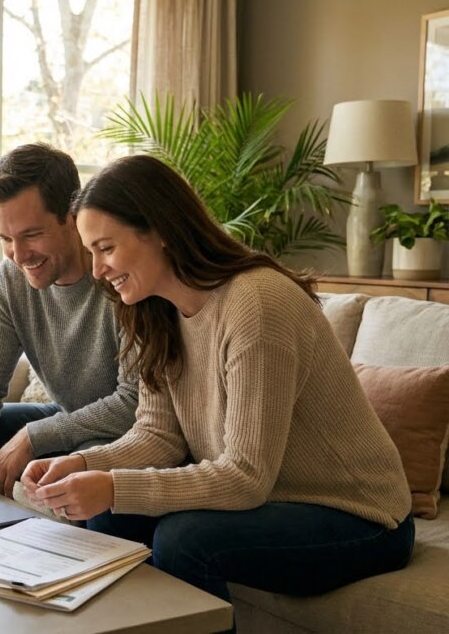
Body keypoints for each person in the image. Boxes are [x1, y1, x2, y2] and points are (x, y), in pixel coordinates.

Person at [21, 154, 414, 608]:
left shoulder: (257, 306)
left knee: (185, 539)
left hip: (361, 517)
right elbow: (158, 436)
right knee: (111, 518)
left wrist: (114, 485)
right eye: (91, 251)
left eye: (106, 248)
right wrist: (85, 465)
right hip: (275, 502)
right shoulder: (153, 310)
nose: (96, 270)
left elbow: (246, 478)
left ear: (161, 230)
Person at [0, 143, 139, 502]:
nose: (19, 255)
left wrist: (34, 437)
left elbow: (135, 402)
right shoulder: (12, 279)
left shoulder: (119, 275)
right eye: (6, 239)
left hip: (123, 430)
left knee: (87, 460)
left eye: (31, 235)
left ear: (73, 218)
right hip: (69, 413)